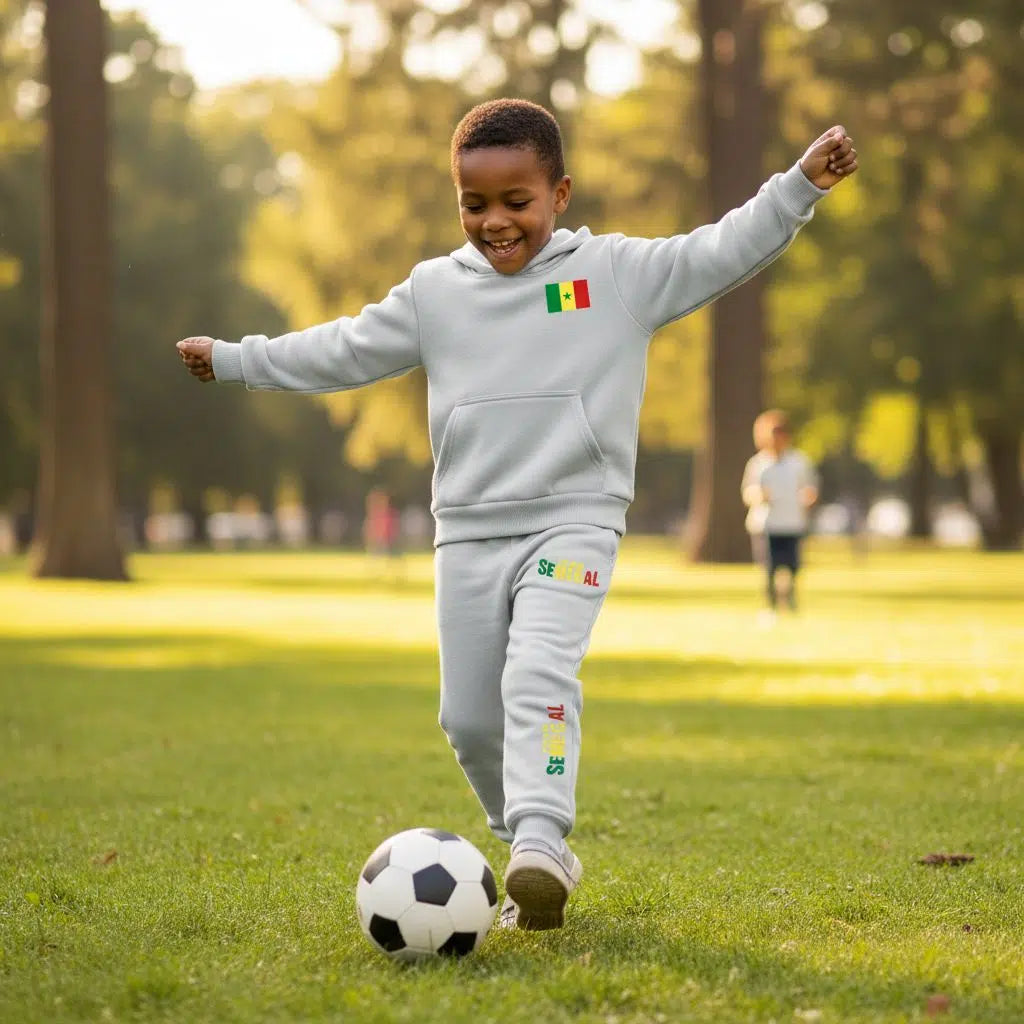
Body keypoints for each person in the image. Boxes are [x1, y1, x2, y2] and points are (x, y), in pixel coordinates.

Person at [177, 99, 858, 930]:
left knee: (538, 671)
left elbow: (719, 250)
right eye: (474, 204)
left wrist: (798, 187)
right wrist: (240, 359)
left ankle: (539, 838)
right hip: (465, 531)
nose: (495, 222)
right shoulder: (435, 293)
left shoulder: (612, 277)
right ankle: (530, 849)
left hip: (574, 519)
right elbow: (345, 348)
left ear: (560, 193)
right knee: (466, 717)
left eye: (516, 202)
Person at [741, 410, 819, 614]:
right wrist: (759, 495)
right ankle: (771, 605)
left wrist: (809, 496)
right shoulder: (758, 464)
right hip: (766, 524)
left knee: (792, 566)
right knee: (769, 567)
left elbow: (810, 487)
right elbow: (747, 492)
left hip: (792, 522)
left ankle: (790, 599)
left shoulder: (799, 462)